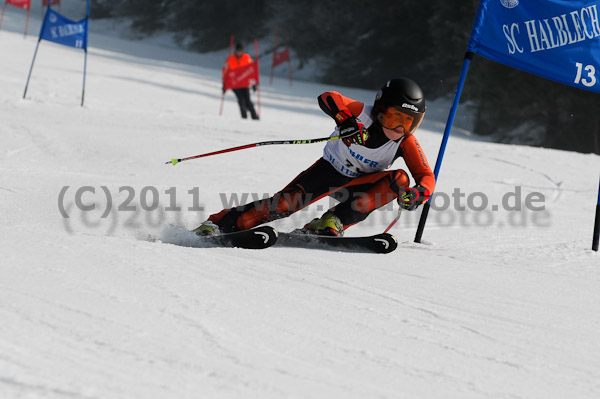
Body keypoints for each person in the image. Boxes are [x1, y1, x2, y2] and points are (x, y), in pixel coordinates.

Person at [195, 78, 435, 237]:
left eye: (409, 123)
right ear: (379, 109)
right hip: (328, 171)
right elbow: (328, 96)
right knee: (284, 205)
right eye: (394, 118)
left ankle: (332, 222)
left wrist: (418, 193)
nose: (399, 129)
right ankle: (219, 224)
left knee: (401, 179)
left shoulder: (405, 141)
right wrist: (345, 121)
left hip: (360, 185)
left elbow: (425, 176)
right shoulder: (362, 113)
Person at [223, 43, 259, 120]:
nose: (239, 52)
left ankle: (254, 117)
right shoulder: (230, 59)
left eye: (240, 50)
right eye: (237, 50)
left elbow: (252, 70)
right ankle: (244, 117)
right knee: (241, 100)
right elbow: (225, 72)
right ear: (235, 51)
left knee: (248, 100)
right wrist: (224, 84)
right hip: (235, 84)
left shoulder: (247, 58)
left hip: (245, 83)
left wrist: (254, 83)